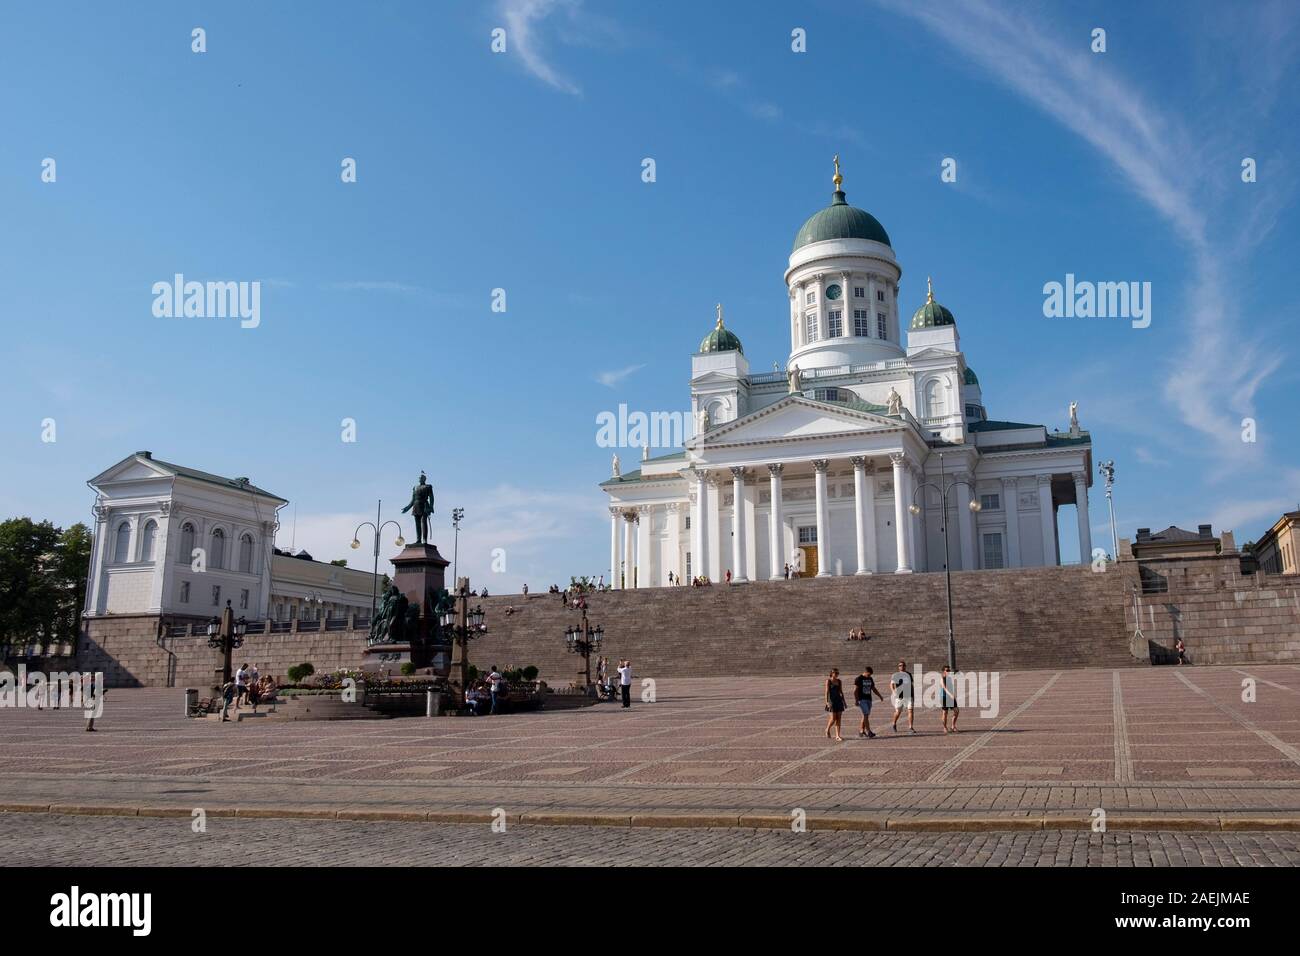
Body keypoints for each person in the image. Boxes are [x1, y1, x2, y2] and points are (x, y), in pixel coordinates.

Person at [854, 666, 884, 738]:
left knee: (865, 716)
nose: (869, 676)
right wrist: (856, 700)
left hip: (869, 699)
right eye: (869, 674)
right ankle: (869, 732)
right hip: (862, 700)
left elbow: (873, 688)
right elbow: (855, 691)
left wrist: (880, 696)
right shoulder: (859, 679)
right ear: (865, 672)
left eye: (870, 675)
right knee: (866, 715)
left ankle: (862, 731)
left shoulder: (870, 679)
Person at [890, 660, 915, 734]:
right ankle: (894, 723)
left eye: (903, 665)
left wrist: (913, 695)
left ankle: (910, 727)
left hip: (909, 695)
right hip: (899, 696)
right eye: (900, 665)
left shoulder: (909, 674)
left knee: (910, 710)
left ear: (905, 666)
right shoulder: (895, 675)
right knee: (898, 712)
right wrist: (894, 692)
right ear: (898, 667)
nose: (902, 667)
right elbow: (891, 684)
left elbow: (911, 685)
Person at [824, 668, 845, 742]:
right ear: (831, 673)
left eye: (837, 673)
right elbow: (826, 692)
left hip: (839, 701)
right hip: (831, 701)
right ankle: (827, 729)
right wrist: (827, 702)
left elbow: (841, 692)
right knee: (833, 718)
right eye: (835, 673)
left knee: (839, 719)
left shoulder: (839, 681)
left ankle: (837, 735)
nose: (836, 674)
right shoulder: (828, 681)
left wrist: (844, 702)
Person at [938, 665, 959, 733]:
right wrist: (950, 695)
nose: (948, 672)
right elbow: (944, 688)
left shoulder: (949, 678)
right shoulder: (942, 678)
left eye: (949, 670)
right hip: (944, 697)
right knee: (945, 713)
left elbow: (955, 673)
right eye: (947, 670)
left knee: (956, 711)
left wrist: (956, 671)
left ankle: (953, 726)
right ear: (943, 671)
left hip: (951, 697)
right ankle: (944, 727)